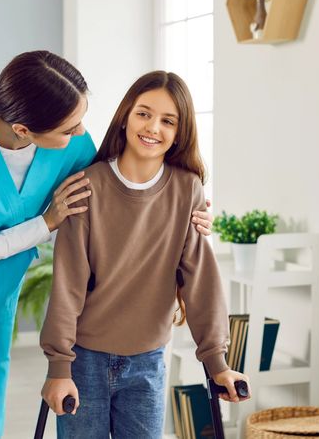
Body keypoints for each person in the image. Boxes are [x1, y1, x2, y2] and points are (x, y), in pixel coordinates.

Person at [0, 51, 214, 439]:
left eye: (81, 120)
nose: (80, 134)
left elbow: (122, 187)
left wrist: (193, 211)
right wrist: (46, 222)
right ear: (24, 130)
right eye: (69, 128)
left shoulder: (71, 145)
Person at [40, 70, 250, 439]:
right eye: (144, 113)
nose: (154, 127)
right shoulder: (86, 187)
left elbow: (200, 280)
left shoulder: (188, 191)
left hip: (149, 362)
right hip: (84, 360)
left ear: (179, 133)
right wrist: (59, 368)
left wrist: (218, 363)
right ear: (125, 116)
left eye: (168, 121)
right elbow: (68, 283)